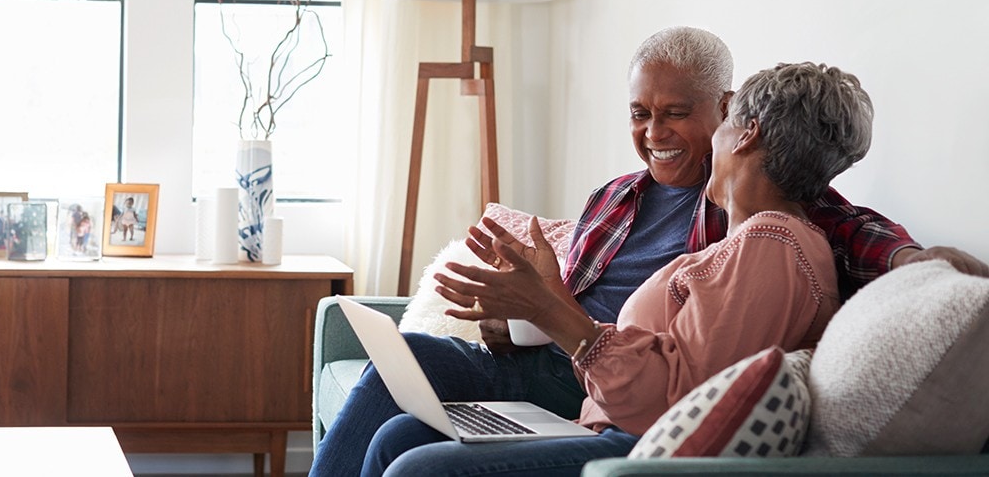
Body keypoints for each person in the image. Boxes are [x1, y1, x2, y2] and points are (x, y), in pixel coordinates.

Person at [308, 26, 989, 476]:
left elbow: (839, 224)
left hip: (606, 395)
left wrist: (913, 265)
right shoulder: (617, 198)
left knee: (410, 458)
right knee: (399, 392)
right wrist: (518, 305)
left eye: (676, 113)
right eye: (640, 113)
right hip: (566, 367)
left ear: (732, 121)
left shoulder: (768, 230)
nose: (653, 131)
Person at [364, 60, 862, 475]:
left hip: (632, 447)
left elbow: (671, 402)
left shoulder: (769, 245)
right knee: (400, 434)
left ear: (745, 133)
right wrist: (543, 298)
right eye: (640, 112)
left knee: (417, 467)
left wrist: (548, 308)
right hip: (602, 418)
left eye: (724, 122)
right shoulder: (754, 242)